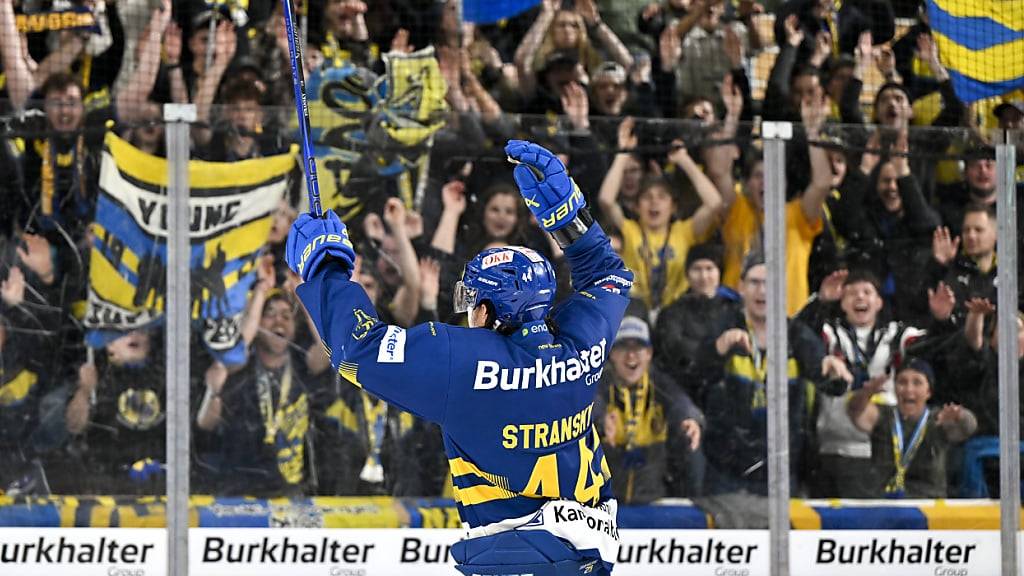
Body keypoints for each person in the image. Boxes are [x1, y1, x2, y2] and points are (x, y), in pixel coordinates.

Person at [287, 140, 632, 575]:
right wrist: (568, 216)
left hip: (514, 561)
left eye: (473, 301)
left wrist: (325, 268)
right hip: (589, 559)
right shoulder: (583, 341)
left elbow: (358, 350)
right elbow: (608, 275)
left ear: (487, 311)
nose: (467, 312)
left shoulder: (465, 362)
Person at [596, 315, 705, 502]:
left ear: (649, 353)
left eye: (638, 347)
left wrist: (690, 420)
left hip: (652, 500)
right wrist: (599, 419)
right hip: (603, 502)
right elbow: (587, 402)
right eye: (623, 347)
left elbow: (681, 403)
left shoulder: (660, 385)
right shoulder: (599, 382)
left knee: (692, 444)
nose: (631, 355)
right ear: (612, 354)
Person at [847, 357, 977, 498]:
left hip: (928, 504)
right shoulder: (884, 414)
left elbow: (968, 428)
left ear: (929, 392)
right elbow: (856, 412)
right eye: (902, 382)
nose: (909, 389)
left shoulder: (938, 420)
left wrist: (959, 416)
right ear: (895, 388)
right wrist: (865, 394)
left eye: (917, 383)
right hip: (884, 502)